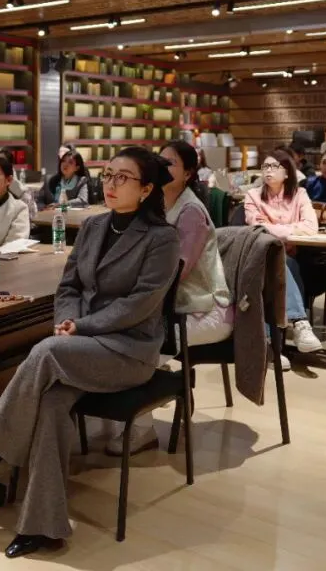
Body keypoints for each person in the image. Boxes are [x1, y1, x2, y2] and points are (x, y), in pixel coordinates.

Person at [0, 146, 180, 558]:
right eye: (108, 174)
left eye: (122, 177)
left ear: (145, 190)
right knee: (52, 403)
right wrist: (69, 321)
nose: (110, 183)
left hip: (129, 350)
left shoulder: (162, 238)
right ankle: (44, 527)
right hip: (80, 345)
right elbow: (69, 286)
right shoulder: (93, 226)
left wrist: (80, 327)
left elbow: (139, 305)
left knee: (46, 352)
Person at [111, 140, 232, 455]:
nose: (162, 167)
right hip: (173, 307)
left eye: (171, 163)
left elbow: (175, 272)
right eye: (159, 161)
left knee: (138, 347)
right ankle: (162, 388)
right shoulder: (156, 204)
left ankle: (143, 429)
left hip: (206, 309)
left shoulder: (190, 212)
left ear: (189, 173)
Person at [243, 150, 321, 364]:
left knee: (283, 266)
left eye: (274, 166)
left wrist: (275, 228)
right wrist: (292, 230)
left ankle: (270, 345)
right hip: (259, 254)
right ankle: (300, 323)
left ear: (287, 173)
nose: (268, 170)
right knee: (278, 262)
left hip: (289, 257)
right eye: (265, 166)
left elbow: (311, 227)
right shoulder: (252, 195)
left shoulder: (299, 194)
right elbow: (258, 229)